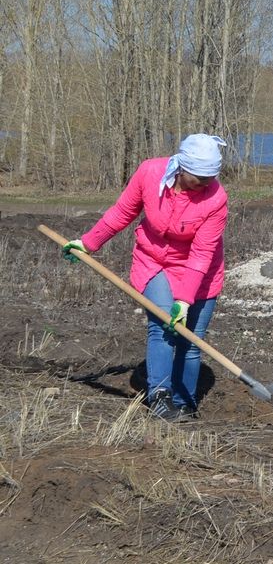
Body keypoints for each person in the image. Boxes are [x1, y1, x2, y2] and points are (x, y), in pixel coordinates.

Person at [61, 134, 230, 421]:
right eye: (199, 177)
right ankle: (161, 398)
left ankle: (185, 404)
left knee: (191, 343)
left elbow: (202, 254)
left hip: (200, 272)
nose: (206, 183)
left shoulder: (216, 198)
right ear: (181, 168)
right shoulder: (150, 173)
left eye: (211, 177)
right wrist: (88, 243)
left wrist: (186, 300)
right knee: (164, 325)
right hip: (154, 261)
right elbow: (122, 212)